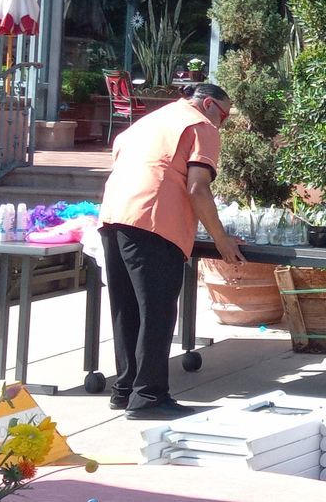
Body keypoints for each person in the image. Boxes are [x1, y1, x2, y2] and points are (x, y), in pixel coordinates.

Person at [97, 82, 244, 420]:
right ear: (208, 104)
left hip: (113, 216)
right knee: (157, 311)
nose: (223, 123)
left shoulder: (148, 121)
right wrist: (221, 240)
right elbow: (197, 187)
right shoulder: (201, 125)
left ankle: (126, 389)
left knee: (127, 309)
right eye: (224, 115)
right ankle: (148, 397)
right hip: (154, 222)